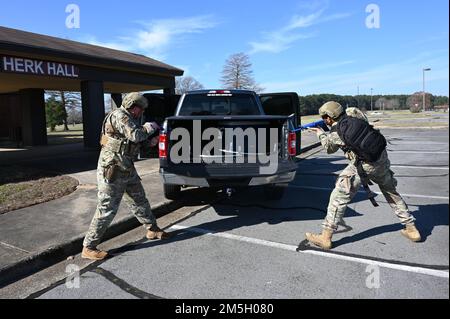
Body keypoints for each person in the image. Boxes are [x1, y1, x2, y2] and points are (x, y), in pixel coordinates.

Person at [305, 101, 421, 250]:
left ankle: (325, 237)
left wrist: (321, 134)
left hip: (364, 165)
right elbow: (361, 121)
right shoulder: (355, 113)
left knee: (338, 196)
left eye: (325, 117)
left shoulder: (335, 133)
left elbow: (329, 148)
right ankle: (411, 229)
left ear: (328, 118)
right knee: (391, 192)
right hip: (381, 159)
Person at [82, 92, 170, 260]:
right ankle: (89, 246)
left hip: (126, 166)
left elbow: (136, 142)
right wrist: (149, 127)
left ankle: (152, 229)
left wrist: (154, 140)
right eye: (140, 109)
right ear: (133, 106)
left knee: (139, 199)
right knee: (107, 208)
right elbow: (135, 135)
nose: (142, 112)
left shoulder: (131, 118)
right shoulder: (120, 115)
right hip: (113, 168)